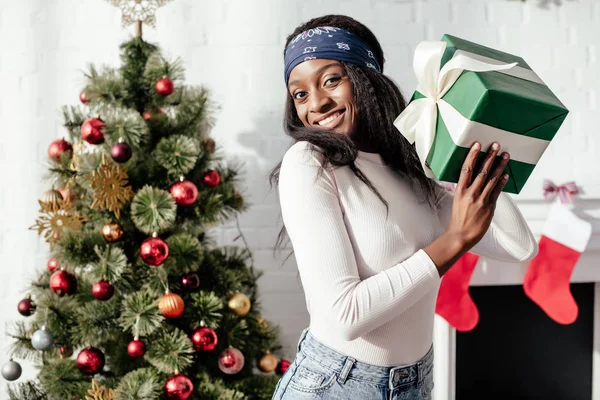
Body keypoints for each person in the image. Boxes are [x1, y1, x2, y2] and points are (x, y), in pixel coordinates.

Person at [269, 14, 538, 400]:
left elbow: (518, 247)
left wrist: (471, 161)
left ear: (365, 77)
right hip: (338, 386)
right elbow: (344, 316)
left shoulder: (410, 165)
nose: (317, 103)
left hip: (415, 384)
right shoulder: (310, 162)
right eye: (300, 94)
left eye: (331, 80)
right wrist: (455, 240)